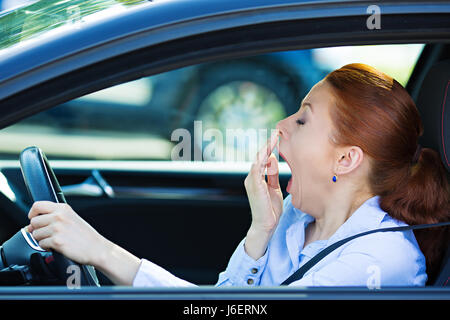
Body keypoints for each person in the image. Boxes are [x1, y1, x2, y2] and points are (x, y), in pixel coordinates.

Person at [26, 63, 449, 287]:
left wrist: (101, 251)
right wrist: (260, 231)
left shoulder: (375, 263)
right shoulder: (297, 220)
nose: (280, 126)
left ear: (346, 160)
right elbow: (231, 300)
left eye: (302, 120)